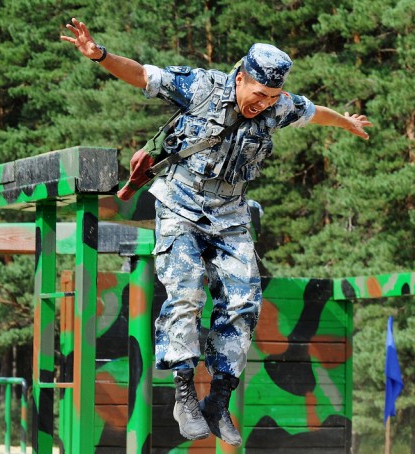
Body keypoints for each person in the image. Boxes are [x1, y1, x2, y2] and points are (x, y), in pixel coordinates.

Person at [61, 18, 372, 446]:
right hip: (180, 204)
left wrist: (348, 124)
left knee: (245, 301)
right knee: (186, 291)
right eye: (258, 94)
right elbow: (144, 75)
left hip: (230, 214)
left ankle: (218, 400)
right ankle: (185, 393)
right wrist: (100, 54)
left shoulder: (279, 106)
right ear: (240, 77)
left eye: (272, 98)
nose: (262, 104)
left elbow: (315, 112)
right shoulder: (201, 87)